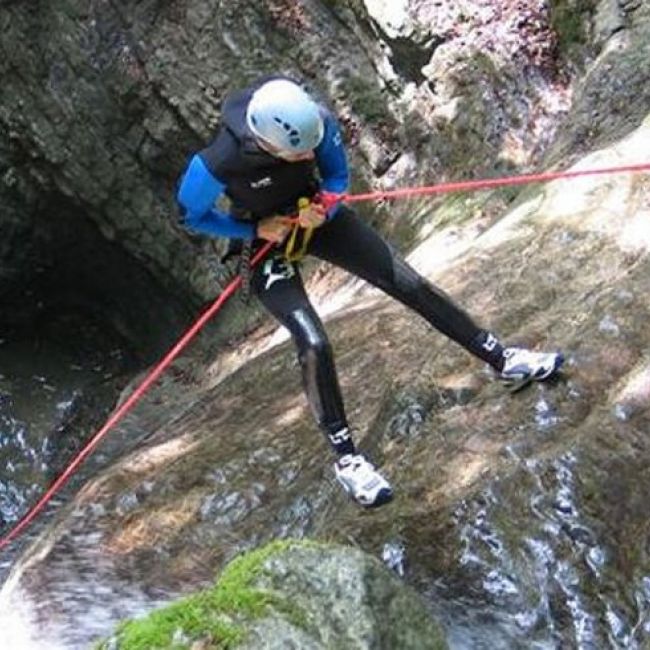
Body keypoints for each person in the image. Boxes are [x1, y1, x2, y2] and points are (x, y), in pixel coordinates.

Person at [176, 76, 563, 508]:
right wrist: (254, 228)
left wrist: (326, 205)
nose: (308, 155)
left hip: (314, 217)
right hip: (263, 240)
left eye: (310, 147)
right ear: (268, 145)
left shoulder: (315, 120)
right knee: (312, 340)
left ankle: (502, 359)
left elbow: (338, 177)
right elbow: (192, 216)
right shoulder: (217, 163)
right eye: (298, 153)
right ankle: (348, 461)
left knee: (409, 283)